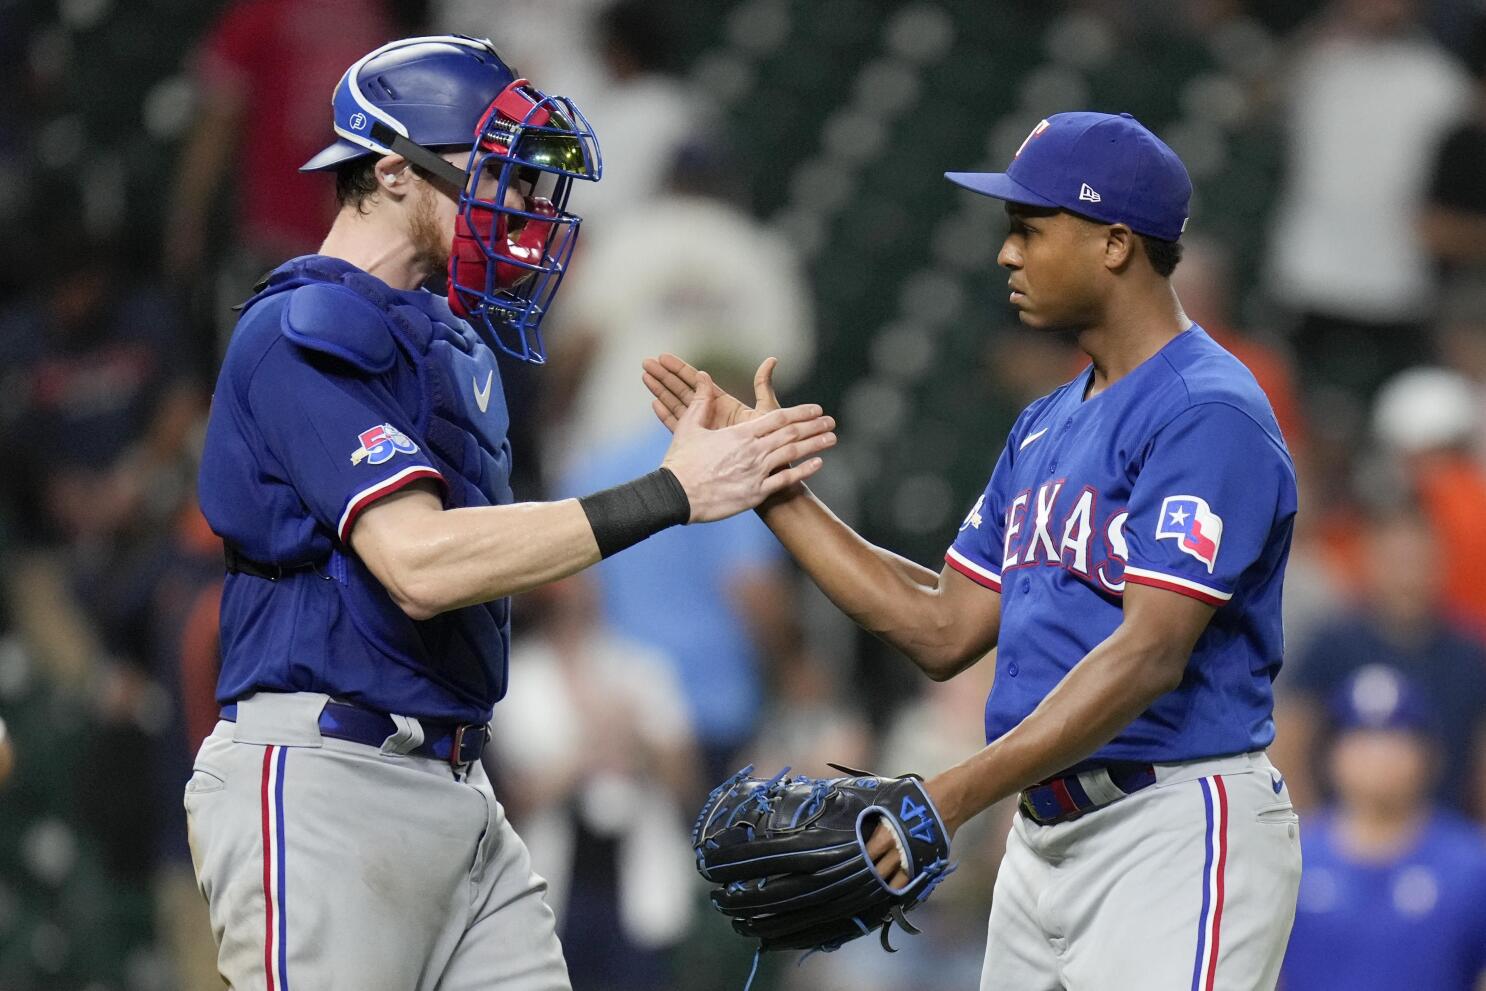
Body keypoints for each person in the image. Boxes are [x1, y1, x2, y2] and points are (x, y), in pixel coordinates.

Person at [187, 35, 835, 991]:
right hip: (325, 779)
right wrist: (670, 492)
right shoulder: (299, 329)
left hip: (459, 785)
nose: (528, 209)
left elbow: (484, 560)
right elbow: (418, 564)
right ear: (397, 172)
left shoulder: (452, 348)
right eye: (501, 175)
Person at [647, 111, 1302, 989]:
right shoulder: (1047, 422)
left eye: (1030, 228)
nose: (1007, 253)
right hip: (1043, 834)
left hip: (1175, 824)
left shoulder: (1205, 410)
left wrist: (951, 794)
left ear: (1114, 243)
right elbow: (943, 626)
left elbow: (1149, 653)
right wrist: (771, 488)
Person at [1281, 665, 1486, 990]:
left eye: (1397, 738)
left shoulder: (1472, 864)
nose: (1380, 755)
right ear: (1331, 755)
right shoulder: (1290, 859)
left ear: (1430, 755)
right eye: (1362, 737)